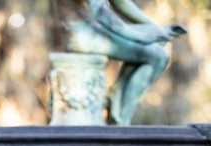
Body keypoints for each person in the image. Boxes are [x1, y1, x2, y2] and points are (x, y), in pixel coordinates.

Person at [53, 0, 186, 125]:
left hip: (96, 29)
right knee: (157, 56)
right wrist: (142, 36)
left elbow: (121, 2)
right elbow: (100, 13)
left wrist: (156, 29)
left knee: (158, 41)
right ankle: (120, 121)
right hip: (82, 34)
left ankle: (117, 100)